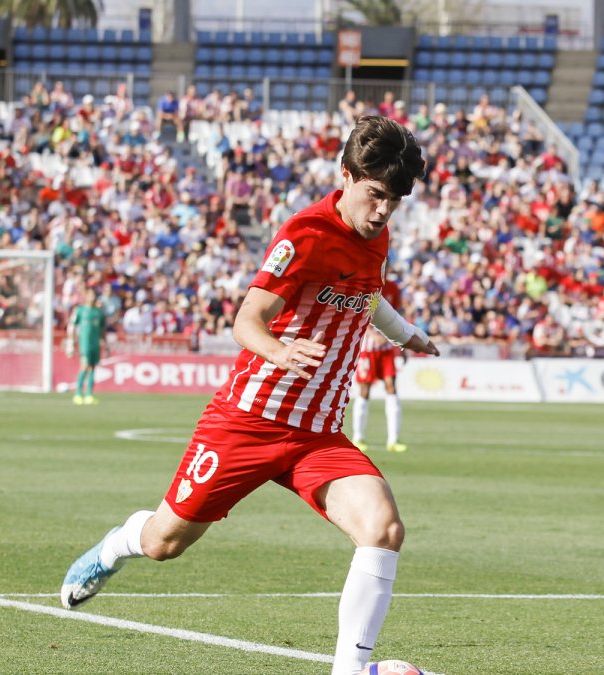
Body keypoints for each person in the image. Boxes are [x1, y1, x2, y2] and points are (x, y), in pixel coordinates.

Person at [59, 116, 439, 675]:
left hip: (317, 434)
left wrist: (404, 333)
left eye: (394, 201)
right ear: (346, 175)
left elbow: (368, 291)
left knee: (383, 528)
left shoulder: (374, 236)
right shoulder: (304, 234)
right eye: (375, 195)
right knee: (167, 542)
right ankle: (116, 545)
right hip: (248, 420)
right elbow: (247, 321)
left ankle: (350, 671)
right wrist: (281, 353)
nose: (382, 211)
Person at [351, 276, 408, 453]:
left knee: (391, 386)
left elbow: (398, 314)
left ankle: (393, 439)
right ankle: (358, 437)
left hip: (386, 350)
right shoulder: (364, 283)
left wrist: (402, 341)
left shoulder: (392, 288)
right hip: (367, 349)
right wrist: (370, 333)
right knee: (365, 390)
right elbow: (356, 311)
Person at [67, 287, 107, 405]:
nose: (92, 297)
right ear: (86, 296)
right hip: (84, 343)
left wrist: (106, 344)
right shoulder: (80, 310)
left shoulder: (99, 312)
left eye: (94, 295)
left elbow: (103, 330)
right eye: (90, 294)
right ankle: (78, 393)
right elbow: (72, 326)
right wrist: (71, 343)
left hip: (96, 344)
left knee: (93, 368)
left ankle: (89, 394)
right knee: (84, 366)